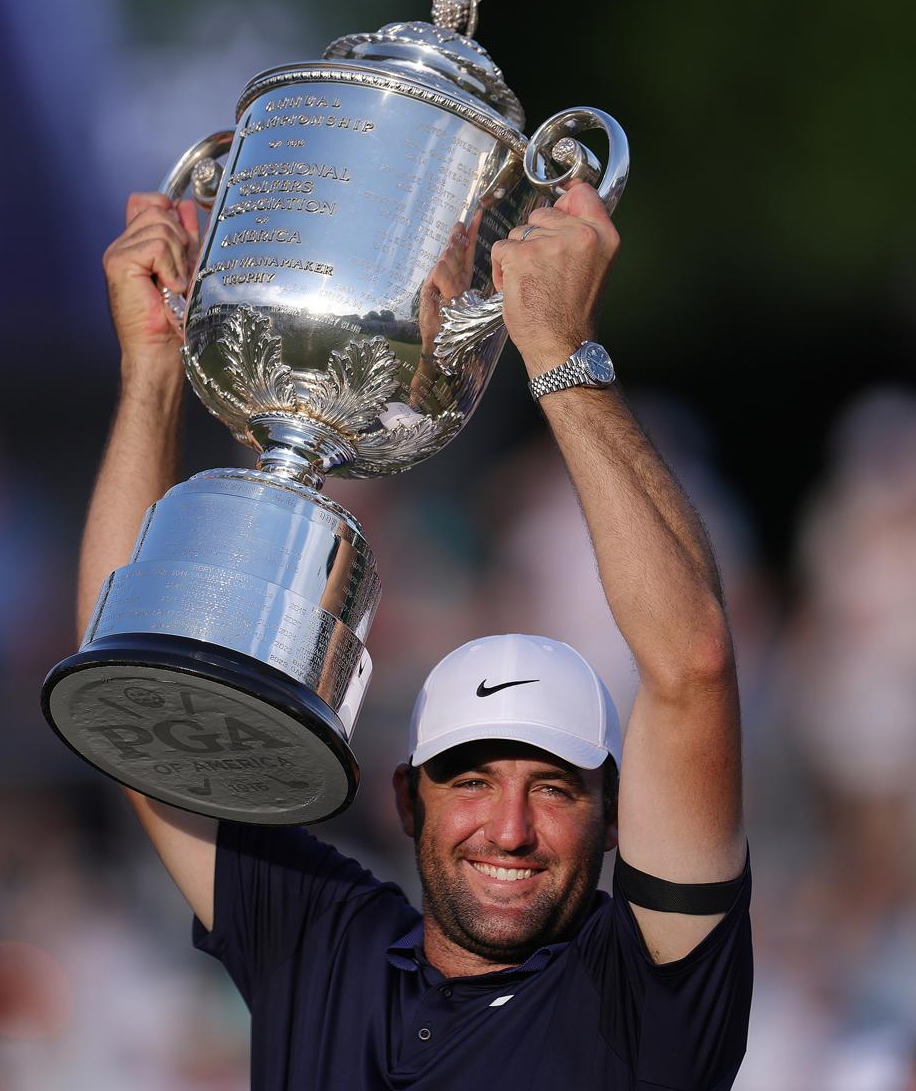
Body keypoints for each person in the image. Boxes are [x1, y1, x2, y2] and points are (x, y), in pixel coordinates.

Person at [78, 181, 752, 1089]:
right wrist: (154, 367)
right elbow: (127, 681)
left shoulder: (646, 998)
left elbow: (690, 664)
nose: (508, 830)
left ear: (614, 820)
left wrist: (555, 346)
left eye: (553, 788)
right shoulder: (321, 941)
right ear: (407, 801)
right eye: (471, 779)